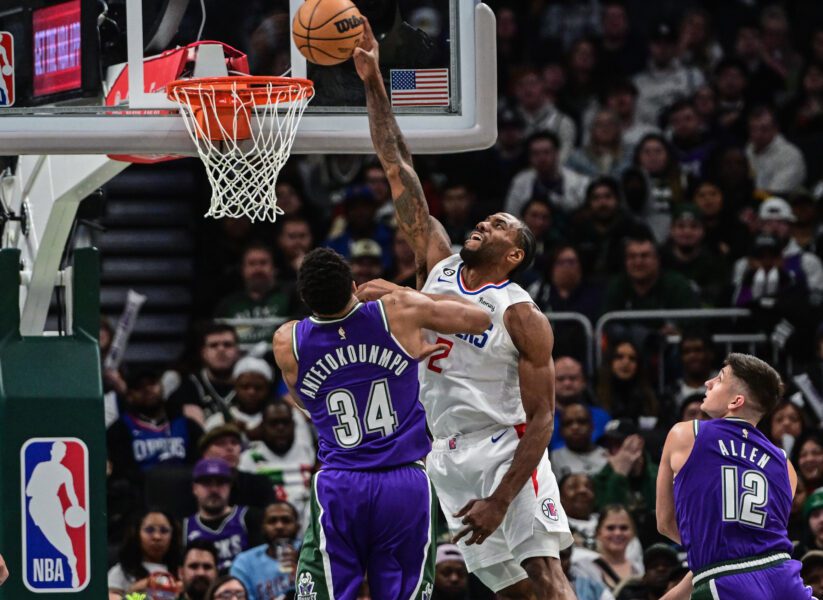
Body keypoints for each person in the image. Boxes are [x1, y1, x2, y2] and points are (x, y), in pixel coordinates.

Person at [355, 19, 575, 599]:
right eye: (484, 219)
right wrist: (375, 81)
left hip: (505, 444)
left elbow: (545, 418)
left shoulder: (520, 312)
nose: (484, 222)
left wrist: (504, 497)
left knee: (547, 577)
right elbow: (396, 163)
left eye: (499, 224)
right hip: (444, 454)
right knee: (510, 591)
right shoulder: (437, 264)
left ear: (516, 253)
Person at [272, 246, 491, 599]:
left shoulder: (287, 341)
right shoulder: (397, 312)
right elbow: (480, 318)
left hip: (340, 484)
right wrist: (396, 290)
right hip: (403, 482)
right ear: (354, 285)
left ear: (304, 297)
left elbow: (306, 404)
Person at [656, 353, 811, 599]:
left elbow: (665, 523)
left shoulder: (686, 434)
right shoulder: (785, 464)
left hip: (726, 580)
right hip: (785, 578)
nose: (707, 383)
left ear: (736, 401)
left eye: (718, 379)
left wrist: (707, 544)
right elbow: (756, 539)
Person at [238, 400, 316, 519]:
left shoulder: (308, 452)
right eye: (274, 423)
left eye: (285, 422)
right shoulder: (248, 459)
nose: (280, 428)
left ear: (294, 425)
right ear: (262, 426)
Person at [184, 458, 262, 572]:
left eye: (220, 483)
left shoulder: (249, 517)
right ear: (194, 488)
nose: (214, 489)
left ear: (230, 486)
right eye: (206, 483)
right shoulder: (185, 527)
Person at [26, 440, 84, 589]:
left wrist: (76, 508)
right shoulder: (41, 467)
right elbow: (28, 491)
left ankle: (72, 563)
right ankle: (71, 559)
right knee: (48, 537)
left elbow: (72, 494)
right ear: (52, 452)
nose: (59, 454)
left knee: (61, 536)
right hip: (37, 507)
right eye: (57, 450)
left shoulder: (65, 472)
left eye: (62, 452)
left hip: (53, 506)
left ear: (64, 455)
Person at [231, 501, 300, 600]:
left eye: (286, 520)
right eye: (272, 521)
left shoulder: (311, 554)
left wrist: (302, 567)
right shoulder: (244, 563)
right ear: (262, 528)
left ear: (297, 527)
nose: (279, 526)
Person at [108, 509, 182, 598]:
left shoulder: (183, 573)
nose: (157, 537)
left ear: (173, 535)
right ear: (136, 533)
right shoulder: (120, 572)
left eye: (164, 530)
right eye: (149, 530)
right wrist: (136, 590)